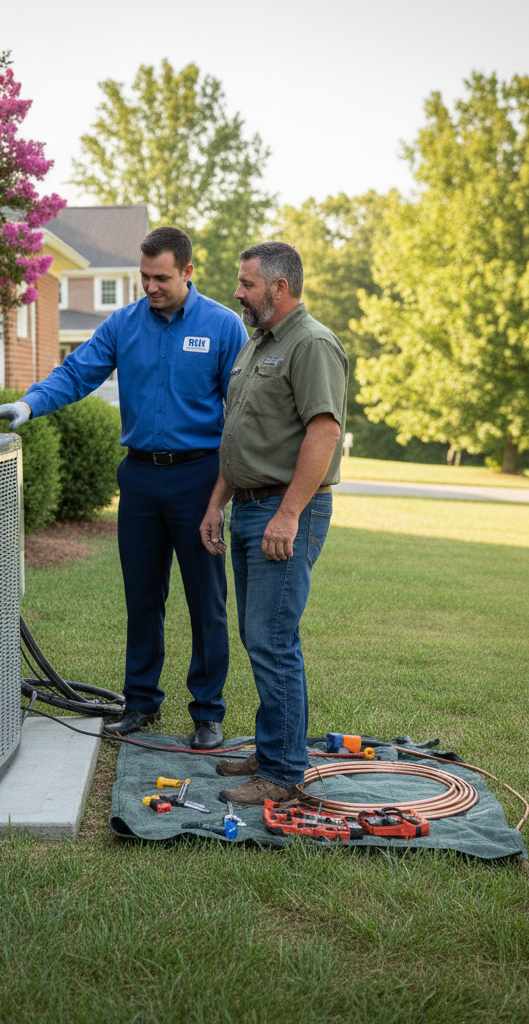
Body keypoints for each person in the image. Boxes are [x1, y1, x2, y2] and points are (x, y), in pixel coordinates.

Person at [0, 227, 248, 750]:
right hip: (141, 478)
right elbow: (76, 372)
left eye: (161, 278)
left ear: (188, 273)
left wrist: (223, 494)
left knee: (206, 600)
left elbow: (239, 415)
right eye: (143, 277)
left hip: (199, 478)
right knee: (142, 597)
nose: (150, 286)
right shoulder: (123, 324)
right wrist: (29, 405)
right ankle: (141, 702)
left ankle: (207, 712)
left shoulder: (223, 326)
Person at [199, 241, 348, 804]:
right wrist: (217, 502)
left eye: (247, 283)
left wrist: (288, 514)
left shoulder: (311, 344)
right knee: (259, 636)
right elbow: (239, 434)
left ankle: (284, 776)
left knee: (272, 639)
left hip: (285, 512)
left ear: (279, 288)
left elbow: (324, 432)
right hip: (248, 506)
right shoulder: (257, 343)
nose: (237, 291)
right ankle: (272, 750)